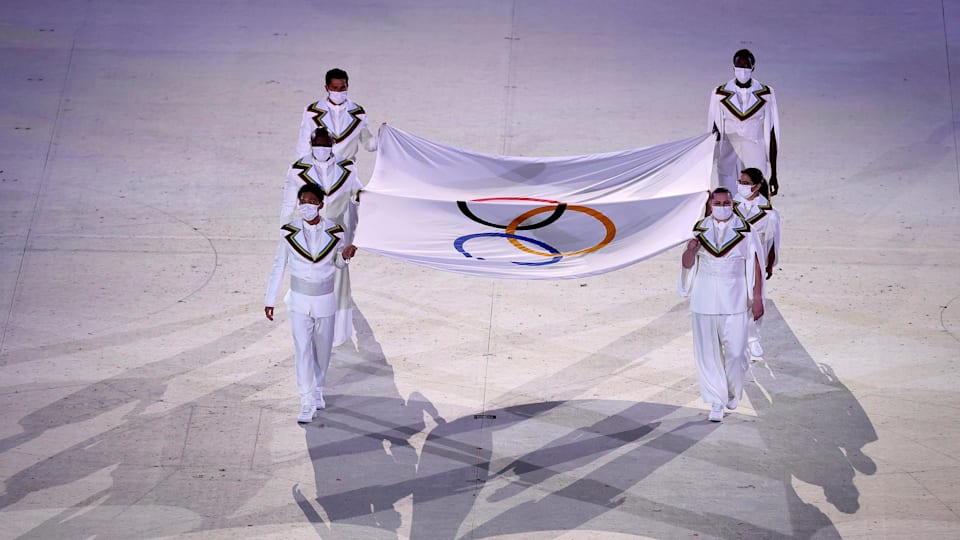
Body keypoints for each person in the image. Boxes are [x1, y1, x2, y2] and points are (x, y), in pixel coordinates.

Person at [265, 183, 358, 423]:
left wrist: (345, 257)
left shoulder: (335, 231)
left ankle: (318, 390)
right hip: (298, 301)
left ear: (320, 204)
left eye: (310, 201)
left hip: (325, 299)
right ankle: (306, 401)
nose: (305, 206)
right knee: (302, 350)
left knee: (323, 351)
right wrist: (270, 299)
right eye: (302, 201)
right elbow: (279, 265)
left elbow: (337, 263)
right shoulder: (288, 232)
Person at [680, 188, 764, 422]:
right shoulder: (698, 231)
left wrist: (756, 297)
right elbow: (686, 265)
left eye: (726, 202)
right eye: (717, 202)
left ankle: (731, 391)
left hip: (735, 300)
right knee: (708, 355)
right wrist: (691, 250)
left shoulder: (746, 231)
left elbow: (755, 263)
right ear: (710, 205)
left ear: (732, 204)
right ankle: (717, 400)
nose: (722, 206)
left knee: (736, 353)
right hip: (704, 300)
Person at [282, 127, 363, 345]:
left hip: (335, 232)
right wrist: (285, 230)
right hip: (307, 230)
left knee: (339, 281)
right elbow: (289, 202)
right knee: (310, 274)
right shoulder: (297, 169)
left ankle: (337, 334)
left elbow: (358, 192)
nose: (321, 149)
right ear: (310, 144)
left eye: (325, 145)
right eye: (317, 145)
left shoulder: (347, 168)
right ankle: (305, 322)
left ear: (333, 144)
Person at [708, 49, 781, 196]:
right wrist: (705, 169)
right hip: (728, 154)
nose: (742, 70)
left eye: (746, 66)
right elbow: (712, 131)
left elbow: (773, 131)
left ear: (753, 67)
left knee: (754, 201)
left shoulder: (766, 93)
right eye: (739, 66)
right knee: (728, 199)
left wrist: (774, 173)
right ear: (733, 67)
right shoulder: (719, 93)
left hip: (755, 153)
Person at [735, 167, 782, 358]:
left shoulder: (769, 213)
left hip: (756, 260)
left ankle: (753, 339)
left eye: (745, 183)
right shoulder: (730, 204)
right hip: (734, 259)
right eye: (740, 182)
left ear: (757, 186)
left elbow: (773, 242)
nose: (741, 186)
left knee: (756, 298)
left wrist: (769, 264)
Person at [295, 68, 378, 161]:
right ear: (327, 88)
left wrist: (384, 136)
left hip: (347, 170)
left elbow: (369, 144)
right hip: (319, 169)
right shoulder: (311, 112)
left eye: (342, 88)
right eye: (334, 88)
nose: (338, 92)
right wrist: (299, 170)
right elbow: (304, 145)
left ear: (347, 86)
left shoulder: (359, 113)